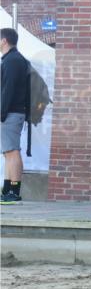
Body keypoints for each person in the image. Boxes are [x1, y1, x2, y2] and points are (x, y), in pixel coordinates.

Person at [1, 28, 31, 205]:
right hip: (12, 112)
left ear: (4, 40)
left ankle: (14, 191)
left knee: (12, 152)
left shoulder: (12, 61)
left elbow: (8, 89)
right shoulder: (13, 59)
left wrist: (1, 113)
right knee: (8, 152)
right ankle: (7, 190)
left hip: (10, 113)